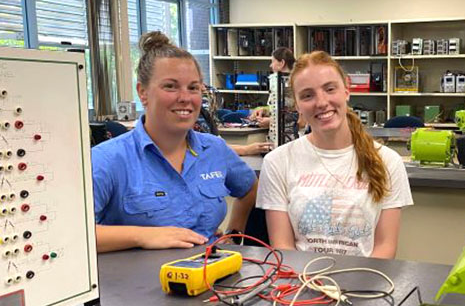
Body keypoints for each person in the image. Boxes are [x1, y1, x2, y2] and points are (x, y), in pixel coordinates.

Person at [92, 31, 258, 253]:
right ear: (143, 92)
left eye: (193, 87)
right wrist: (142, 236)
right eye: (170, 86)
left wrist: (234, 234)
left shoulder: (214, 149)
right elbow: (72, 234)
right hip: (138, 284)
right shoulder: (108, 160)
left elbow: (249, 189)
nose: (185, 98)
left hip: (212, 278)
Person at [256, 51, 413, 258]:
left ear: (346, 91)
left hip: (365, 284)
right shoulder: (277, 162)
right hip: (301, 283)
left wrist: (354, 289)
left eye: (330, 89)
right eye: (307, 95)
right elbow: (284, 249)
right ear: (297, 105)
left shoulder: (388, 161)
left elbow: (385, 248)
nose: (321, 102)